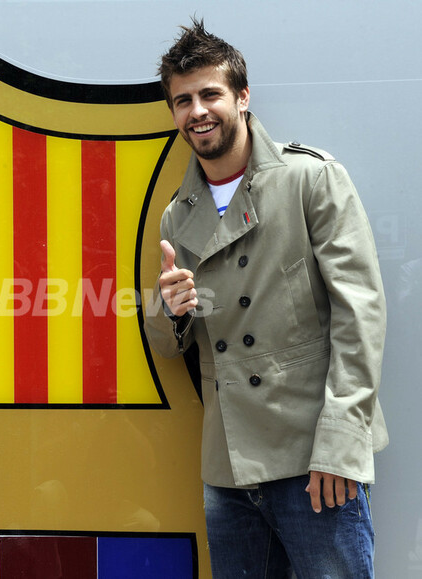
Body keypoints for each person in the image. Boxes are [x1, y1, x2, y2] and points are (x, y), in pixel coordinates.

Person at [145, 18, 388, 578]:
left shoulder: (310, 179)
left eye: (210, 94)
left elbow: (360, 316)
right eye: (183, 101)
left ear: (242, 97)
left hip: (313, 459)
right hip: (229, 469)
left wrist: (341, 445)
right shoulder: (176, 216)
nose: (197, 111)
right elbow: (167, 344)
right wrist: (171, 311)